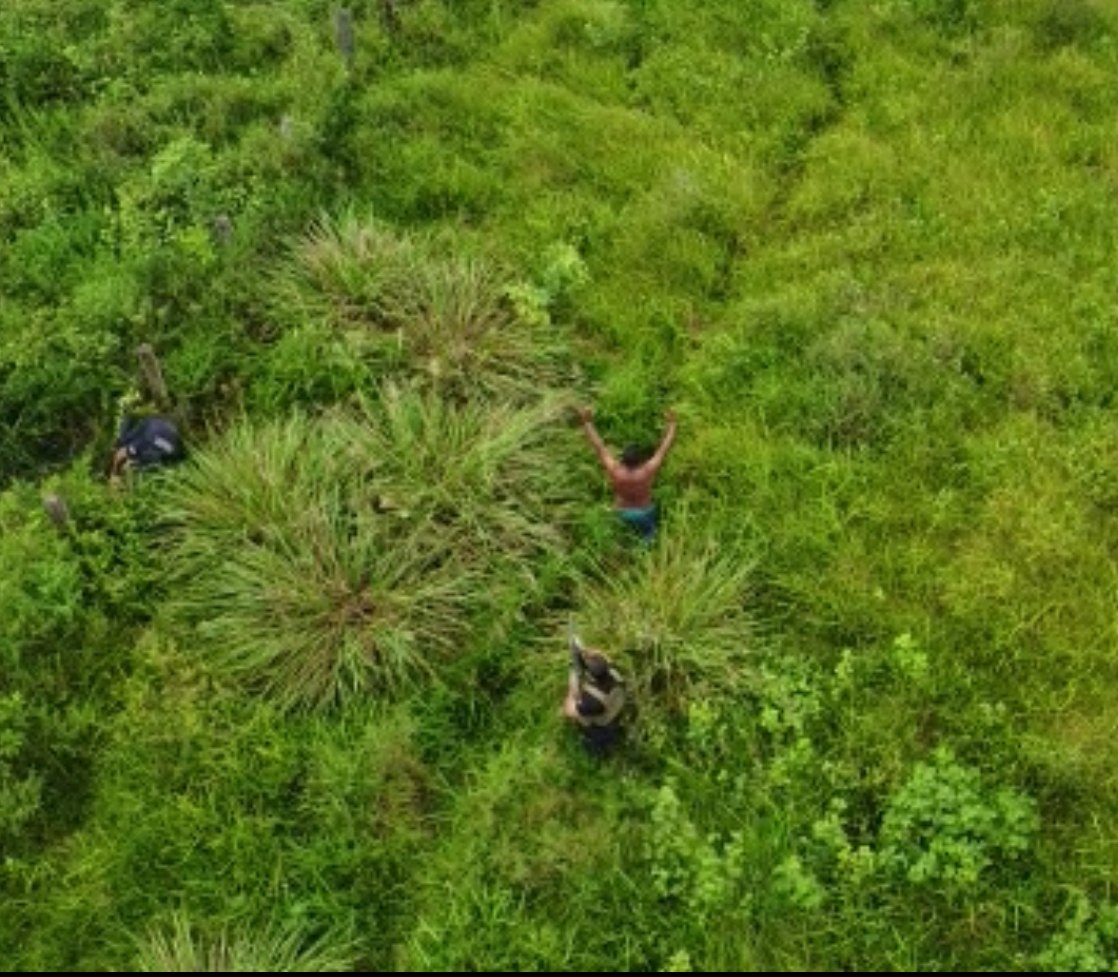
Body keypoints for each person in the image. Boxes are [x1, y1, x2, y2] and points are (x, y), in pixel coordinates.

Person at [576, 405, 677, 542]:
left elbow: (599, 447)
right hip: (645, 512)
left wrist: (587, 422)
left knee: (622, 540)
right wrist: (672, 424)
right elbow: (664, 448)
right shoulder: (647, 470)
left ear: (622, 460)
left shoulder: (615, 470)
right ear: (641, 460)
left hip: (622, 513)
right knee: (649, 539)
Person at [562, 643, 626, 757]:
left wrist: (572, 685)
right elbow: (605, 658)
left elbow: (568, 710)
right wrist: (585, 652)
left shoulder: (593, 702)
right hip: (616, 709)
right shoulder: (614, 672)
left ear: (590, 676)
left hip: (602, 726)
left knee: (595, 744)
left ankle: (598, 750)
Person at [110, 414, 186, 478]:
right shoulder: (141, 436)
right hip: (172, 444)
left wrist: (115, 473)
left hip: (160, 439)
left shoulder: (138, 444)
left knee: (128, 455)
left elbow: (123, 453)